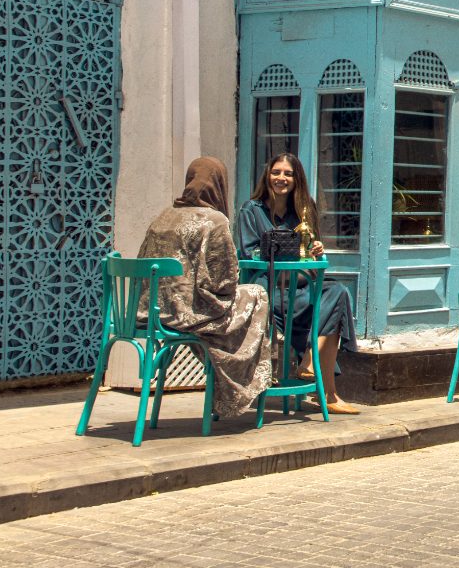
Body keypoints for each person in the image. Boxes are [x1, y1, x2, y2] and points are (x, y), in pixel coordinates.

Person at [137, 157, 274, 419]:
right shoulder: (214, 220)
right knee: (258, 294)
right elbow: (224, 282)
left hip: (148, 313)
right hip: (189, 316)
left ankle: (224, 380)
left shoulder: (162, 217)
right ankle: (236, 386)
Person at [235, 153, 362, 415]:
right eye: (276, 172)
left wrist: (315, 249)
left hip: (300, 284)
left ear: (296, 179)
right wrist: (280, 252)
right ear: (267, 175)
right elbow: (249, 255)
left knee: (337, 293)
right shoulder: (252, 210)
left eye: (288, 174)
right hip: (267, 287)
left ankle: (312, 369)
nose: (281, 178)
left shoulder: (304, 209)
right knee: (326, 311)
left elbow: (308, 250)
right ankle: (324, 387)